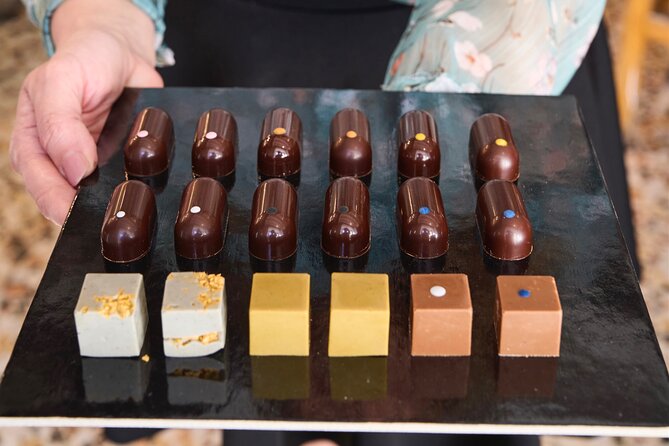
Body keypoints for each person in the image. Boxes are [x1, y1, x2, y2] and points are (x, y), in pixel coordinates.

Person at [8, 0, 640, 444]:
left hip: (499, 55)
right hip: (233, 50)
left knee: (463, 378)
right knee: (256, 365)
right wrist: (103, 21)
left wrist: (435, 121)